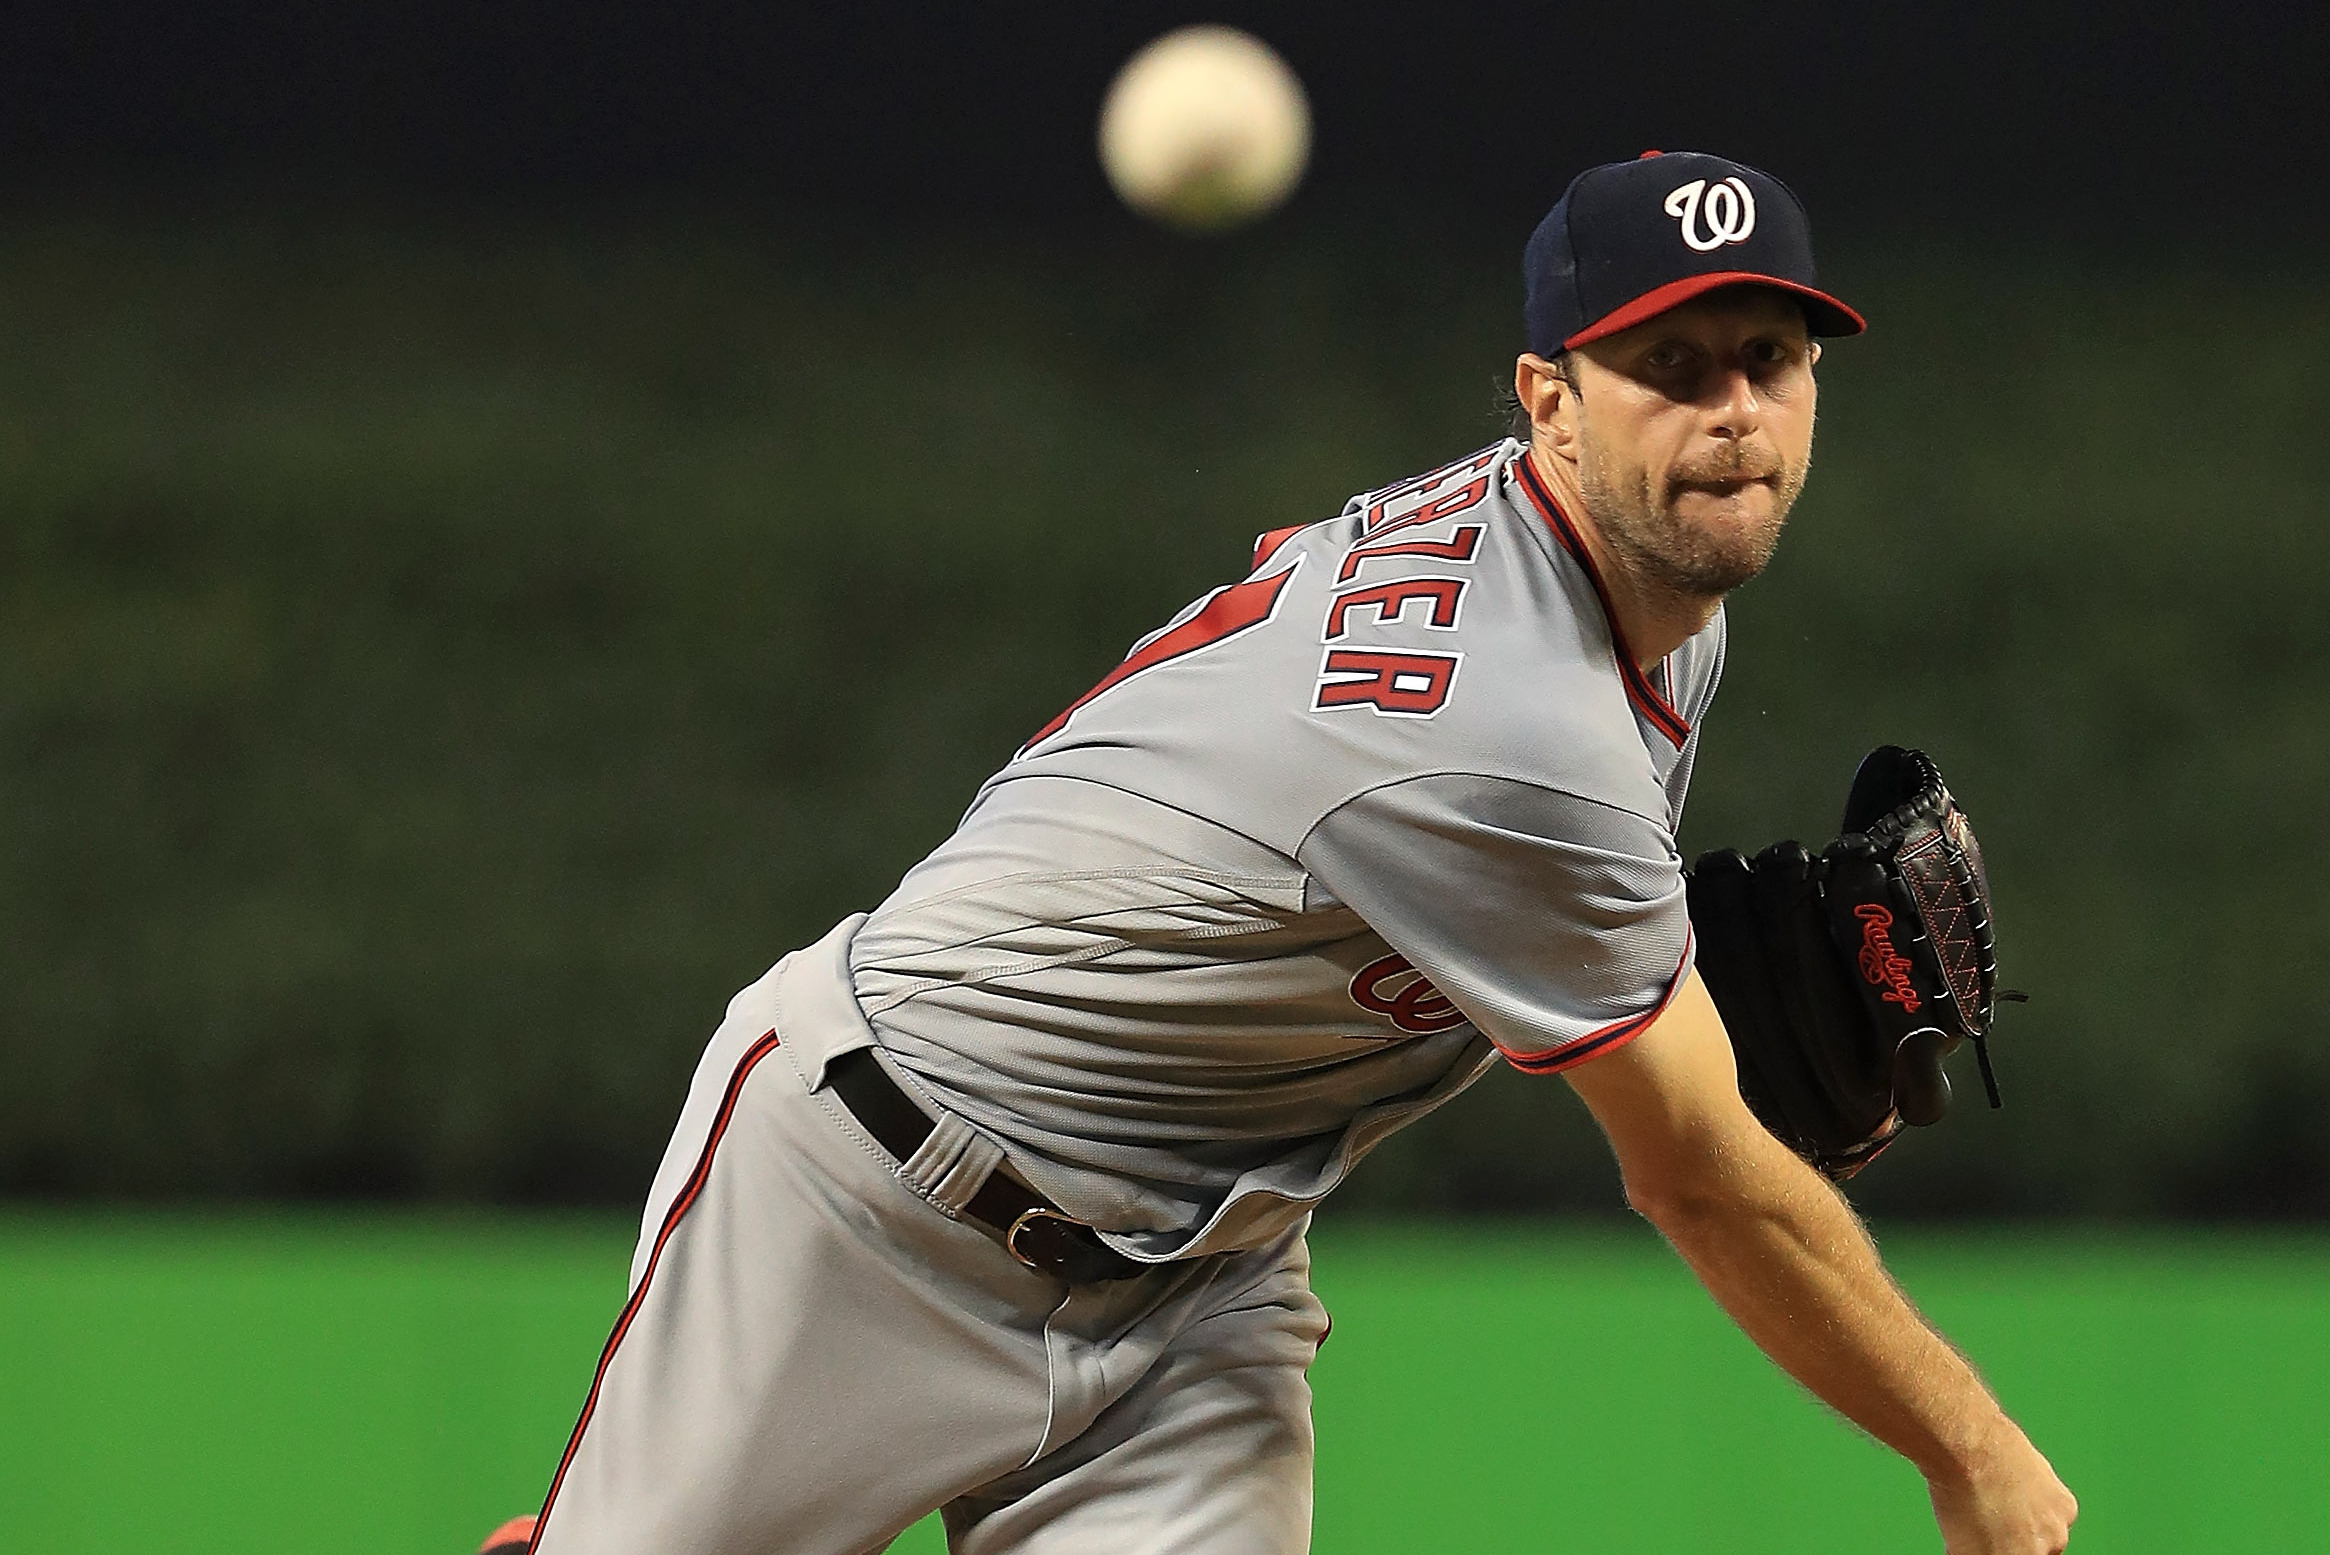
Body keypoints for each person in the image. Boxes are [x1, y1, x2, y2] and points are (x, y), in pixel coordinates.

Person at [496, 150, 2077, 1555]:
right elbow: (1694, 1180)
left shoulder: (1632, 592)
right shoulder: (1514, 726)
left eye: (1769, 359)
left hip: (1196, 1289)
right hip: (871, 1203)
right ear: (1548, 401)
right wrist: (1969, 1448)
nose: (1731, 412)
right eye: (1668, 365)